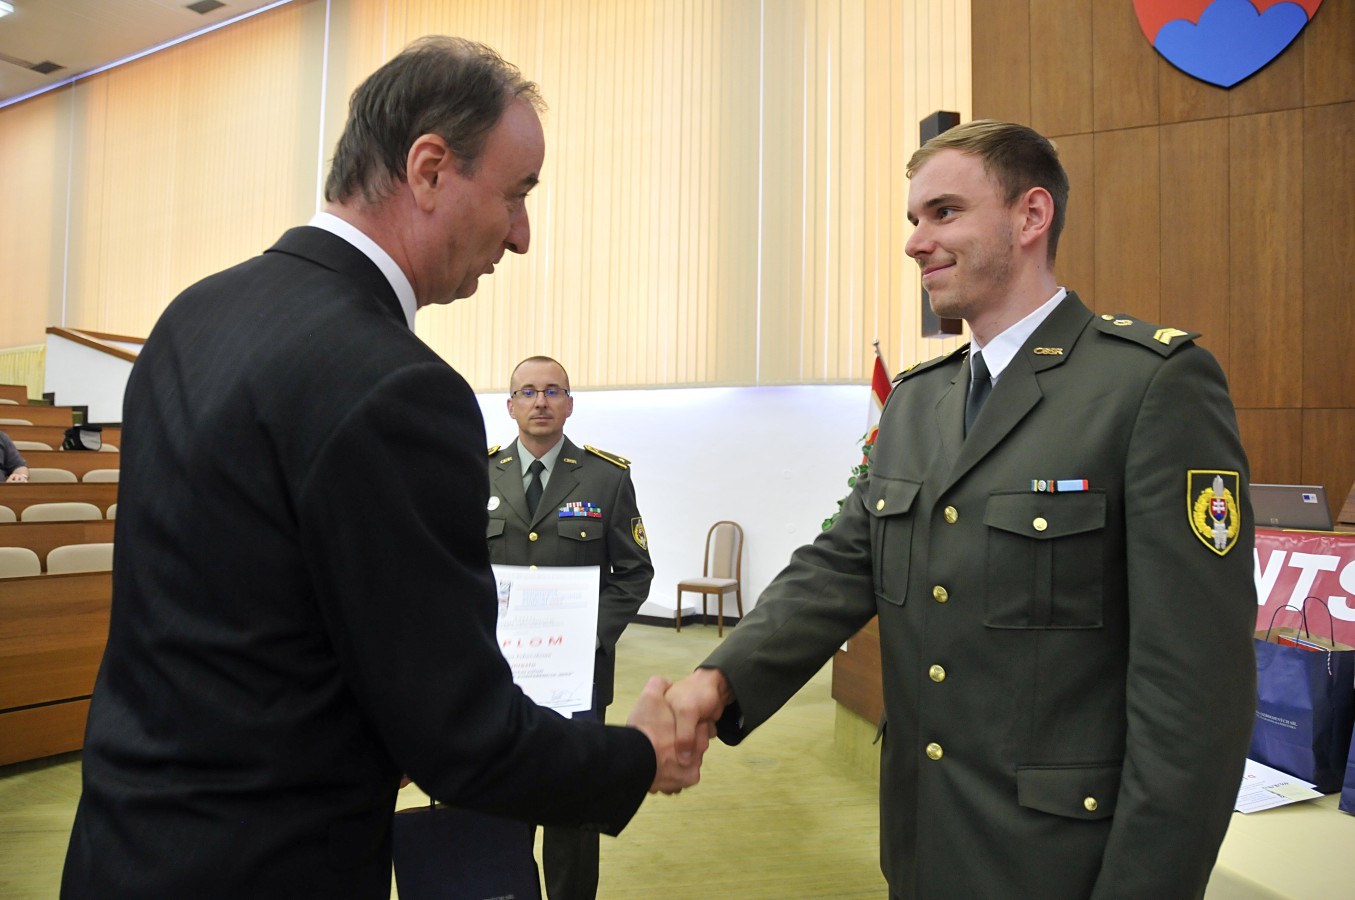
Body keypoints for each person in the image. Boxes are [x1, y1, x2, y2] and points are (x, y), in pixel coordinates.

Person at [61, 37, 697, 900]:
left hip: (122, 847)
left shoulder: (193, 316)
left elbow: (247, 616)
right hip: (272, 866)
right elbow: (463, 739)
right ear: (429, 169)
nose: (521, 235)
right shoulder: (396, 386)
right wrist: (639, 755)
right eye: (515, 195)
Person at [667, 120, 1256, 898]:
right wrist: (717, 680)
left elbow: (1194, 691)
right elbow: (839, 566)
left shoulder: (1147, 386)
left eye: (943, 213)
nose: (915, 243)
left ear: (1030, 215)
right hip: (923, 845)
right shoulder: (918, 401)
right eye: (914, 219)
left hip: (1060, 863)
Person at [487, 355, 654, 900]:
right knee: (503, 807)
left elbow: (634, 572)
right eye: (528, 391)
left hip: (577, 678)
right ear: (510, 405)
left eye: (553, 390)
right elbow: (456, 568)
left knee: (573, 814)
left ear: (570, 404)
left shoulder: (607, 478)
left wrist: (587, 636)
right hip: (500, 675)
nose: (540, 401)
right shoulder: (476, 473)